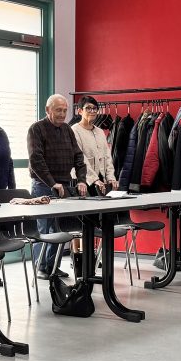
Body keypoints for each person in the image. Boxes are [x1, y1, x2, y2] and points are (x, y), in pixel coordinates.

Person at [27, 94, 88, 278]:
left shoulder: (68, 131)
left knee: (60, 229)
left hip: (64, 186)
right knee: (43, 230)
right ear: (48, 110)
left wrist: (82, 179)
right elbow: (36, 160)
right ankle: (40, 268)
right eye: (58, 110)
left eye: (64, 110)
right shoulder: (36, 129)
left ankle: (53, 267)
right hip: (43, 186)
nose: (62, 114)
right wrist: (52, 183)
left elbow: (78, 156)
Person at [69, 96, 118, 274]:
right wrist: (93, 179)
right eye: (88, 108)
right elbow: (80, 159)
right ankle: (81, 264)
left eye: (94, 109)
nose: (92, 112)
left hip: (100, 182)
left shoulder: (99, 132)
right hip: (82, 181)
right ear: (79, 110)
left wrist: (111, 177)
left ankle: (94, 260)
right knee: (82, 223)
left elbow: (107, 156)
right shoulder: (74, 130)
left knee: (99, 221)